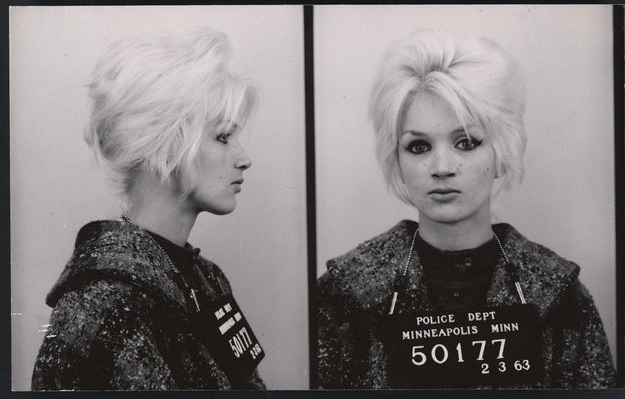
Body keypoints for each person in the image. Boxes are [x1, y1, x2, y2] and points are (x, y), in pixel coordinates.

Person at [316, 29, 616, 389]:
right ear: (395, 159)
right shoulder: (341, 296)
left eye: (466, 142)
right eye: (419, 147)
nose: (442, 167)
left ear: (502, 154)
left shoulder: (562, 296)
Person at [31, 28, 265, 390]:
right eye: (222, 137)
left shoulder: (207, 279)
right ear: (164, 145)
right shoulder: (102, 307)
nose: (245, 159)